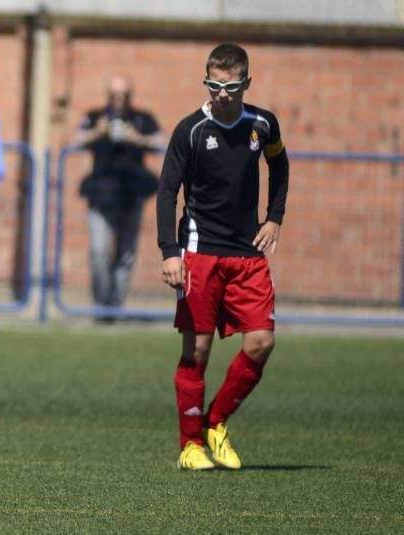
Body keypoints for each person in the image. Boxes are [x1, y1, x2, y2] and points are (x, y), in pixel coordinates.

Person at [156, 44, 289, 470]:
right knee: (197, 351)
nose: (222, 93)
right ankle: (190, 445)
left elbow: (280, 165)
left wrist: (275, 218)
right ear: (206, 82)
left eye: (230, 86)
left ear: (246, 83)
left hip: (247, 255)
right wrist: (169, 253)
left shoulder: (263, 124)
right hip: (198, 254)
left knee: (262, 342)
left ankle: (216, 421)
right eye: (214, 85)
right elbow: (166, 192)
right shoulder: (190, 130)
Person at [74, 76, 164, 319]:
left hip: (132, 193)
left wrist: (139, 139)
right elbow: (76, 139)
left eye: (123, 94)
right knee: (99, 251)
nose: (119, 99)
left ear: (130, 95)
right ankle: (101, 305)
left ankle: (115, 306)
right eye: (114, 94)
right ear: (108, 95)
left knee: (126, 253)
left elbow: (162, 141)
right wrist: (98, 132)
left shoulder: (142, 118)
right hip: (100, 194)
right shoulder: (95, 116)